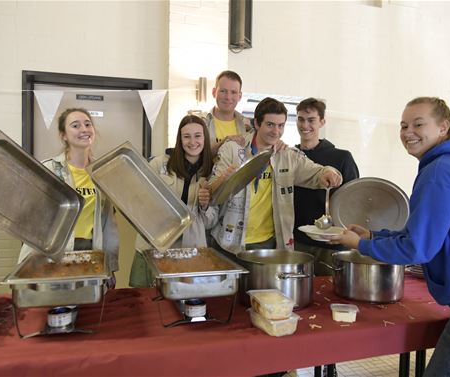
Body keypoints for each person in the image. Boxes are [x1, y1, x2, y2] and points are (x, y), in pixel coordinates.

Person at [330, 97, 450, 377]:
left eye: (418, 124)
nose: (407, 132)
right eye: (403, 125)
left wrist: (362, 245)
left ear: (443, 127)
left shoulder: (440, 171)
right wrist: (375, 234)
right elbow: (428, 232)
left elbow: (418, 248)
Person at [209, 97, 342, 257]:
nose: (276, 131)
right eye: (270, 124)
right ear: (257, 123)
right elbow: (212, 193)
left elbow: (318, 173)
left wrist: (330, 173)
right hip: (228, 242)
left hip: (269, 244)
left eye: (281, 125)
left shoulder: (287, 155)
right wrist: (225, 178)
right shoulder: (232, 149)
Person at [18, 108, 119, 283]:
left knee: (90, 304)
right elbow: (32, 217)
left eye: (88, 124)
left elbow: (107, 224)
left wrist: (110, 266)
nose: (84, 129)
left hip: (90, 250)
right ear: (63, 135)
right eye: (75, 125)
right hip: (54, 251)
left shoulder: (101, 173)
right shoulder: (49, 169)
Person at [129, 115, 218, 287]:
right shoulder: (159, 165)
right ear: (180, 139)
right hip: (153, 248)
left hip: (190, 251)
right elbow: (138, 202)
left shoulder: (211, 172)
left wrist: (205, 206)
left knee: (182, 303)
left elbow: (211, 222)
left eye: (198, 136)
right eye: (187, 136)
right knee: (146, 303)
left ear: (205, 139)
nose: (192, 142)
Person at [293, 98, 360, 276]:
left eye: (311, 120)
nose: (305, 125)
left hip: (332, 243)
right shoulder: (289, 157)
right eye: (300, 119)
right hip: (296, 241)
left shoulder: (342, 157)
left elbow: (353, 201)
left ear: (322, 121)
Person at [204, 70, 251, 155]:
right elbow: (195, 158)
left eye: (233, 92)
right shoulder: (201, 123)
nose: (228, 97)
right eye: (223, 91)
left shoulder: (249, 127)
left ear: (239, 96)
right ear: (214, 92)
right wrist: (223, 143)